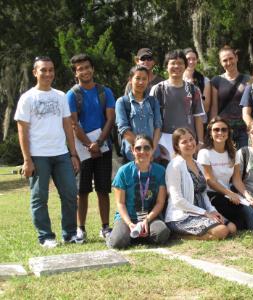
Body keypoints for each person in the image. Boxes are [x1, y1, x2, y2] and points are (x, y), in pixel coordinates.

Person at [14, 56, 81, 248]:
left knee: (70, 193)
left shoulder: (60, 96)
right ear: (35, 72)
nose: (48, 73)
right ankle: (46, 237)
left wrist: (73, 153)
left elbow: (68, 126)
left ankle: (69, 234)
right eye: (43, 70)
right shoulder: (27, 98)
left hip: (61, 154)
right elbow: (22, 130)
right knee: (39, 197)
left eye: (51, 70)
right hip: (38, 155)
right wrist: (27, 160)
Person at [67, 53, 116, 241]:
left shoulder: (105, 92)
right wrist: (89, 144)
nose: (85, 71)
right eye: (80, 69)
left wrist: (100, 143)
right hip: (81, 149)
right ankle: (81, 229)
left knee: (103, 189)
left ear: (93, 69)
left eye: (87, 67)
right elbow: (73, 123)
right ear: (75, 73)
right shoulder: (72, 94)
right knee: (82, 191)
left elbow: (110, 118)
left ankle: (105, 227)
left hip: (103, 146)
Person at [165, 128, 236, 239]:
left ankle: (202, 232)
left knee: (232, 228)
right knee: (222, 231)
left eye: (191, 139)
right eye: (184, 142)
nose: (189, 144)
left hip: (202, 213)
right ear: (177, 147)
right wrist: (205, 213)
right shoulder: (174, 166)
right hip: (182, 216)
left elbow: (203, 194)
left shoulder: (198, 165)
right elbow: (177, 201)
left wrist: (212, 211)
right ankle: (179, 235)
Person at [107, 135, 170, 249]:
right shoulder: (123, 171)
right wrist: (130, 223)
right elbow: (120, 203)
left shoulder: (160, 171)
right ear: (132, 150)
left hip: (150, 218)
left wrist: (147, 220)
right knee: (118, 242)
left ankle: (136, 235)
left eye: (146, 148)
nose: (142, 151)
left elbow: (160, 202)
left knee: (162, 233)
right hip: (127, 218)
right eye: (138, 148)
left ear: (152, 150)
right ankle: (113, 234)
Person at [150, 49, 205, 158]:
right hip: (163, 140)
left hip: (188, 140)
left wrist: (200, 142)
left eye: (180, 63)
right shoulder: (158, 89)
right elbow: (151, 118)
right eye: (173, 63)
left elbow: (198, 117)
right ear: (166, 66)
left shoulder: (193, 90)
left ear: (185, 66)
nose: (176, 66)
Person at [197, 117, 248, 229]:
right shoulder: (204, 153)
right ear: (210, 133)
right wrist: (230, 193)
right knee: (234, 217)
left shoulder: (234, 153)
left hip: (227, 194)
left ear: (228, 133)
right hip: (211, 195)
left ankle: (227, 224)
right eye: (216, 130)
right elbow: (210, 181)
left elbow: (237, 180)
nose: (220, 132)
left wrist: (247, 195)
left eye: (224, 130)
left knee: (243, 216)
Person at [116, 66, 162, 162]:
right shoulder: (122, 102)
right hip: (132, 155)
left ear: (148, 80)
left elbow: (158, 126)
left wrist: (151, 150)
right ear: (130, 79)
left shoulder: (153, 101)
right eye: (137, 78)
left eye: (144, 79)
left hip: (153, 155)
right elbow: (123, 129)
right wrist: (143, 150)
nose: (141, 82)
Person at [210, 46, 250, 148]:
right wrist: (212, 128)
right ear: (220, 62)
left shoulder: (249, 80)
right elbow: (214, 107)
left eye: (231, 58)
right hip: (223, 130)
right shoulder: (216, 81)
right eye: (225, 60)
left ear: (236, 57)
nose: (228, 62)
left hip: (244, 130)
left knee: (243, 161)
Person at [183, 48, 211, 116]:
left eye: (194, 59)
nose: (191, 62)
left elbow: (206, 107)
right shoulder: (176, 79)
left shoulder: (205, 80)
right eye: (188, 59)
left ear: (197, 60)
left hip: (200, 120)